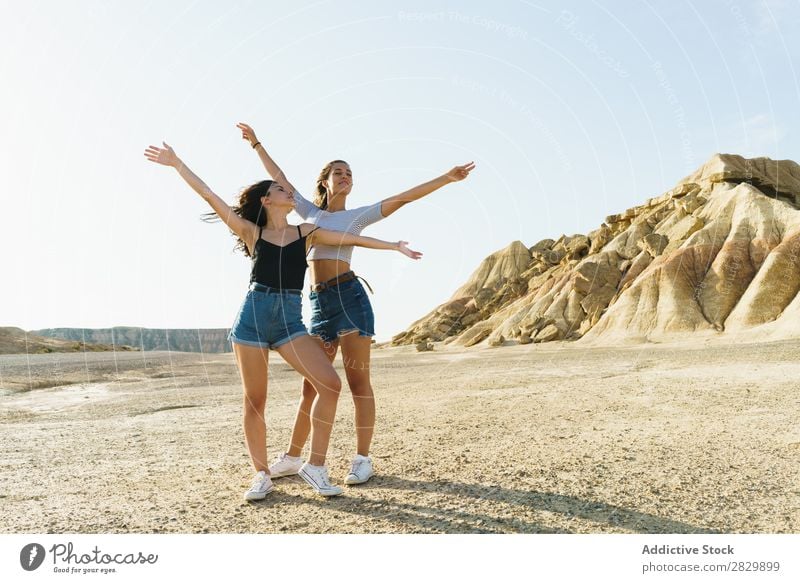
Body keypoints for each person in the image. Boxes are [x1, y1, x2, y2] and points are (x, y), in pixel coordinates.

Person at [144, 141, 422, 500]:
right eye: (280, 189)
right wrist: (177, 163)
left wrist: (393, 245)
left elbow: (352, 239)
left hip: (291, 321)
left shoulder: (306, 232)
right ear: (267, 200)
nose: (287, 191)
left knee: (329, 385)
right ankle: (261, 474)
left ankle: (315, 466)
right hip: (254, 319)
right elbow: (208, 194)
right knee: (254, 401)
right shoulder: (251, 232)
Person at [237, 122, 474, 485]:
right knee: (313, 385)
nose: (345, 176)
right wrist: (255, 143)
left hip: (349, 298)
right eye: (338, 172)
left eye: (349, 173)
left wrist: (446, 177)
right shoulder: (305, 212)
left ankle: (362, 459)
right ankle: (293, 457)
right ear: (324, 182)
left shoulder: (358, 216)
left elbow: (403, 198)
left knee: (358, 382)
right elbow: (277, 174)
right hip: (315, 304)